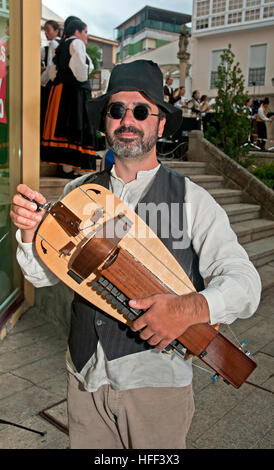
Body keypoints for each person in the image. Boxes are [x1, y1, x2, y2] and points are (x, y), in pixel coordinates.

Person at [10, 59, 261, 449]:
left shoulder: (192, 200)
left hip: (155, 388)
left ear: (160, 125)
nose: (128, 119)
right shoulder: (80, 192)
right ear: (106, 122)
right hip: (84, 381)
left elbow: (246, 285)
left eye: (141, 110)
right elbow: (45, 274)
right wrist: (30, 232)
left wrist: (186, 310)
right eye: (116, 110)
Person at [40, 18, 97, 177]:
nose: (87, 36)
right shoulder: (77, 43)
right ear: (77, 32)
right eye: (85, 32)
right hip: (74, 94)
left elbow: (52, 72)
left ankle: (66, 167)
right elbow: (81, 74)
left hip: (60, 92)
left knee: (63, 128)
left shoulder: (60, 46)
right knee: (75, 127)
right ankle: (72, 168)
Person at [40, 20, 61, 132]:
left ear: (56, 31)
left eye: (48, 30)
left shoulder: (54, 44)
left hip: (49, 84)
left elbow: (50, 67)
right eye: (44, 30)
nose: (45, 33)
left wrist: (42, 79)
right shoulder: (61, 43)